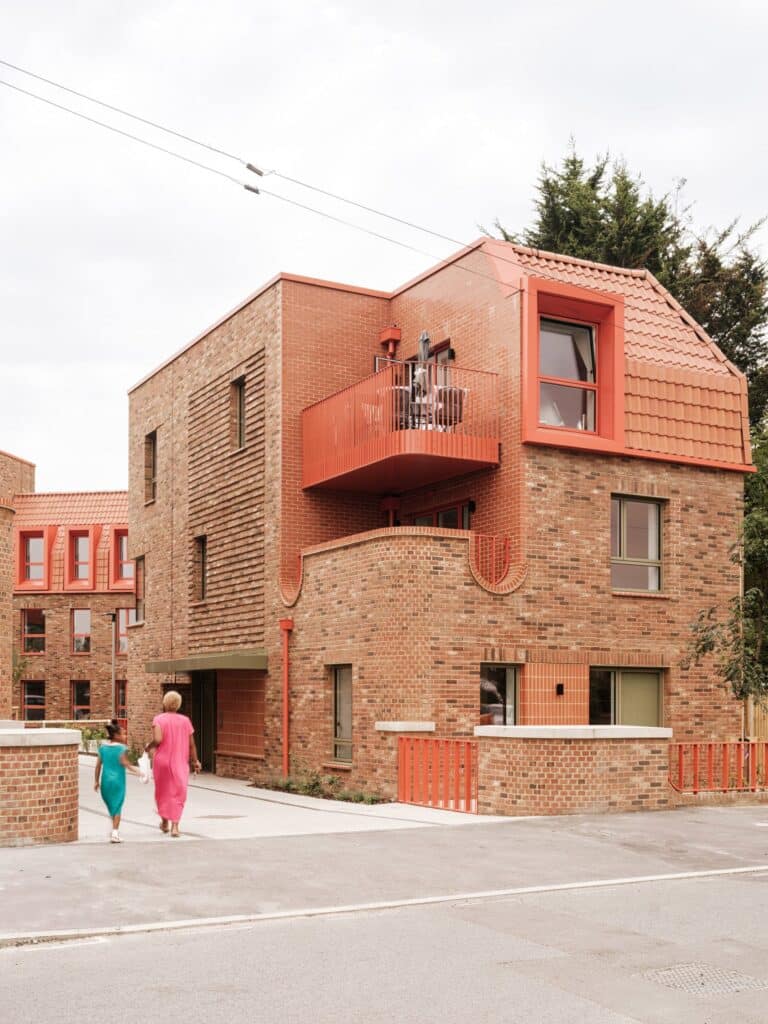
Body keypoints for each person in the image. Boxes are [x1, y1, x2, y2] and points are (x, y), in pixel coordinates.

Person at [144, 690, 201, 838]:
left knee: (162, 792)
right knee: (178, 792)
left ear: (165, 702)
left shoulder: (158, 719)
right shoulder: (185, 721)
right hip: (180, 763)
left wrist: (148, 747)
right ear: (178, 704)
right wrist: (195, 761)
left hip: (162, 761)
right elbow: (192, 745)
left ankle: (164, 823)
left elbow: (157, 740)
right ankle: (175, 826)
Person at [94, 719, 146, 843]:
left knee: (112, 806)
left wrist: (96, 781)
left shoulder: (103, 748)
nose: (125, 736)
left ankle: (114, 829)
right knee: (117, 807)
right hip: (118, 782)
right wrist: (139, 771)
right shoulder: (121, 748)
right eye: (123, 733)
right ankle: (115, 833)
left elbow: (98, 766)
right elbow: (125, 763)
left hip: (106, 782)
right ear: (116, 736)